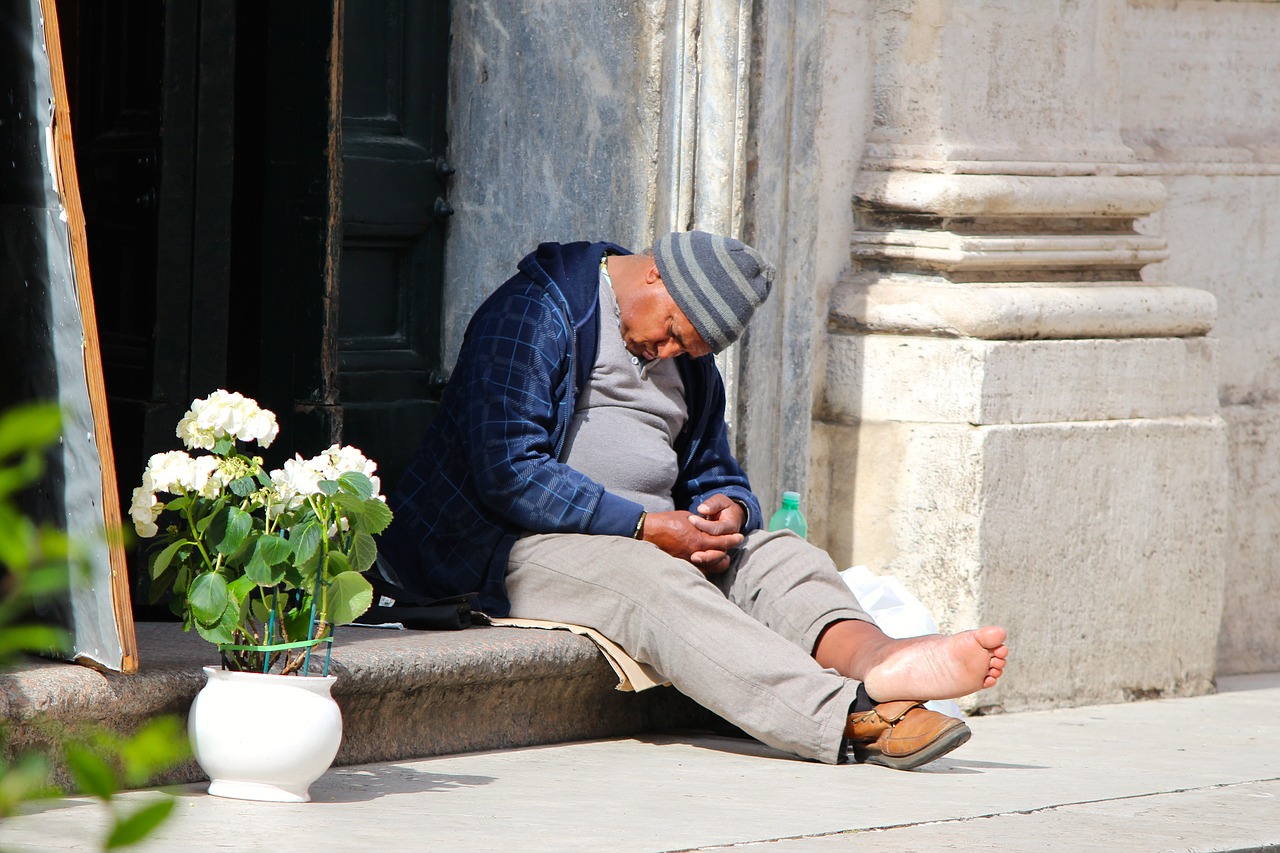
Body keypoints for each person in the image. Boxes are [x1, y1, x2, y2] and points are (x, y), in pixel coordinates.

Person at [378, 231, 1008, 769]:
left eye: (688, 348)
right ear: (655, 274)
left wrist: (727, 507)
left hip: (649, 534)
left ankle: (882, 659)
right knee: (647, 578)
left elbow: (712, 468)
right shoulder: (535, 309)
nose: (670, 352)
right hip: (503, 544)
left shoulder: (686, 355)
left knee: (780, 556)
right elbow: (509, 471)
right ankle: (852, 712)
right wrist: (643, 526)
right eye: (674, 332)